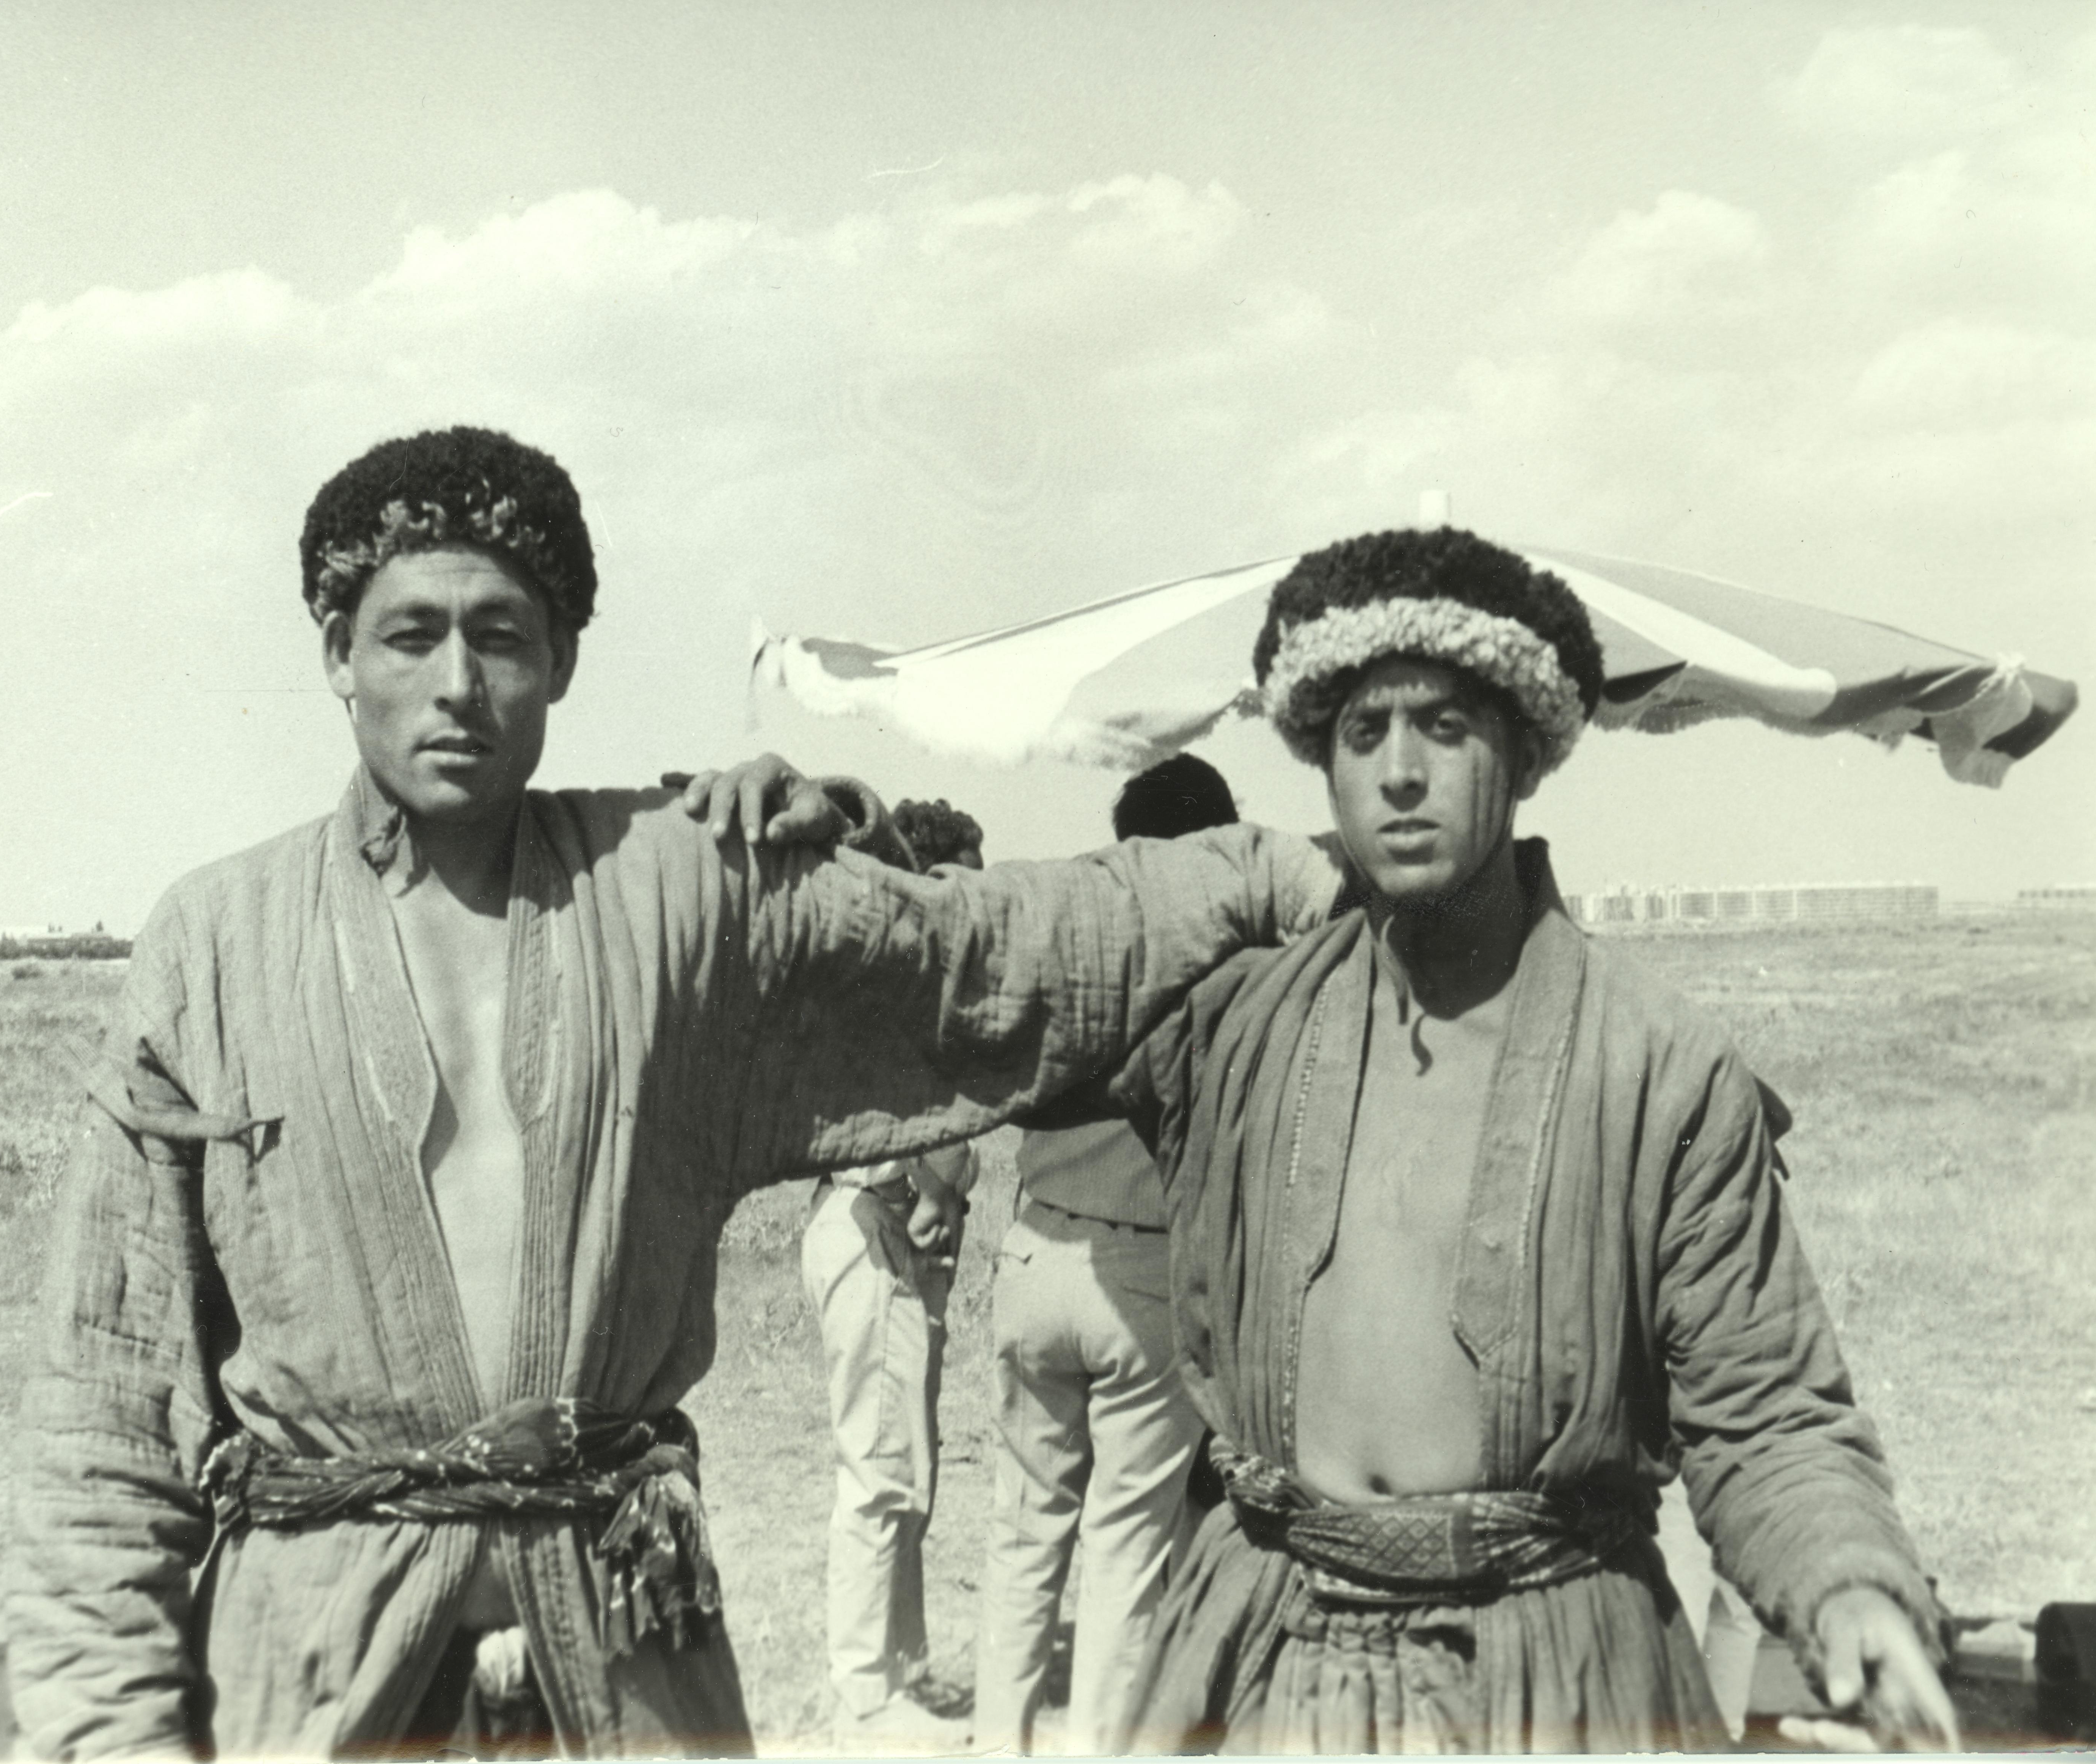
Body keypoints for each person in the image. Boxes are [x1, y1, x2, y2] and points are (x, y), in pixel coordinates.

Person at [11, 424, 1340, 1758]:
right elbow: (103, 1418)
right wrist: (108, 1739)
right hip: (310, 1672)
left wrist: (1263, 872)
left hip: (624, 1652)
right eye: (410, 635)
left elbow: (991, 952)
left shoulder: (673, 882)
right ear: (336, 657)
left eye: (504, 636)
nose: (457, 684)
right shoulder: (213, 945)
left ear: (564, 660)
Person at [695, 527, 1959, 1753]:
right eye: (1364, 733)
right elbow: (988, 980)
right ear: (1325, 765)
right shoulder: (1236, 1023)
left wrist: (1849, 1588)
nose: (1399, 771)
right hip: (1266, 1661)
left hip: (1554, 1673)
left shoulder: (1657, 1067)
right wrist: (846, 846)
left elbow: (1768, 1415)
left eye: (1444, 727)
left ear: (1519, 754)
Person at [973, 756, 1239, 1755]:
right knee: (1126, 1550)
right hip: (1139, 1272)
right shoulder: (1216, 971)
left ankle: (1000, 1741)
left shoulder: (1070, 954)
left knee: (1021, 1529)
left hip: (1033, 1251)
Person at [800, 800, 987, 1750]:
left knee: (909, 1462)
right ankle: (862, 1690)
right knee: (877, 1468)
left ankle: (899, 1667)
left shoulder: (925, 990)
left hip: (904, 1238)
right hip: (871, 1223)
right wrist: (927, 1175)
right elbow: (862, 1133)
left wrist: (943, 1177)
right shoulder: (876, 984)